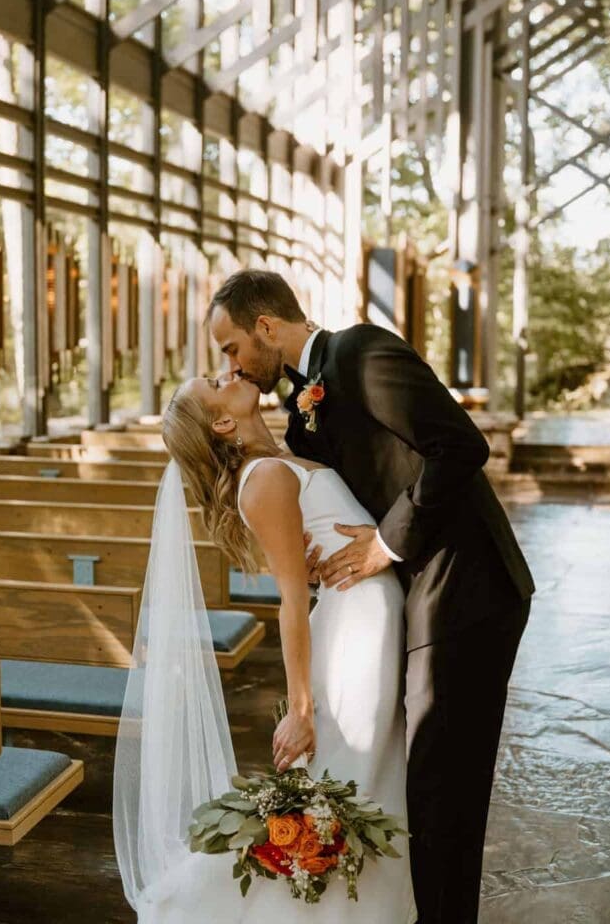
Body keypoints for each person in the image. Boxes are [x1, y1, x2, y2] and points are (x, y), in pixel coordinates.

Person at [206, 270, 535, 924]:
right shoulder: (301, 418)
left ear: (266, 326)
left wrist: (385, 542)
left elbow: (458, 447)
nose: (233, 365)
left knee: (445, 791)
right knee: (425, 786)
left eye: (232, 347)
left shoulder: (360, 350)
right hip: (409, 601)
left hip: (466, 586)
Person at [113, 370, 417, 923]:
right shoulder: (265, 478)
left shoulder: (278, 460)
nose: (228, 371)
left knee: (365, 777)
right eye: (215, 382)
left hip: (365, 614)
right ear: (222, 422)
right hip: (356, 630)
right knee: (353, 781)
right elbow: (291, 600)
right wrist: (300, 708)